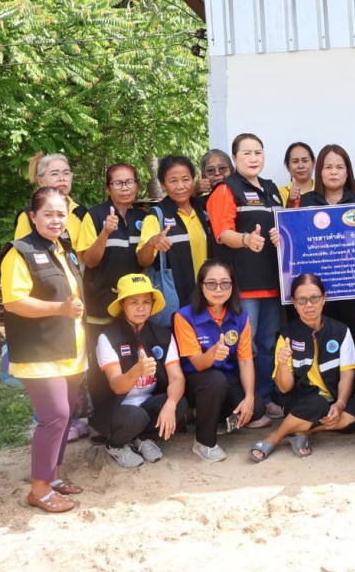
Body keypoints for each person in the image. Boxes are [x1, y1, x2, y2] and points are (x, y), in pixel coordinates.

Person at [1, 187, 88, 513]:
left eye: (61, 213)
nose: (56, 219)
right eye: (48, 213)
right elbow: (13, 301)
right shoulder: (18, 252)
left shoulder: (64, 248)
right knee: (55, 417)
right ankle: (39, 489)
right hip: (40, 351)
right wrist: (58, 310)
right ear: (32, 216)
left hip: (72, 349)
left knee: (64, 420)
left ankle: (52, 476)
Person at [250, 274, 355, 461]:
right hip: (302, 402)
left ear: (324, 298)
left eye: (315, 298)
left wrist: (340, 404)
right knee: (317, 404)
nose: (309, 305)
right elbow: (284, 388)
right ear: (294, 303)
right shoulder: (287, 334)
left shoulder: (340, 331)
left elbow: (347, 375)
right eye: (302, 300)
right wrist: (282, 364)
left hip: (332, 399)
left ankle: (303, 431)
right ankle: (275, 437)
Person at [208, 133, 285, 416]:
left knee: (267, 344)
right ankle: (244, 406)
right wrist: (245, 240)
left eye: (258, 152)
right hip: (244, 284)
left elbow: (283, 225)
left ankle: (264, 399)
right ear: (236, 159)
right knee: (244, 347)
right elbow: (222, 232)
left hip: (274, 283)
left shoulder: (272, 188)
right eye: (246, 153)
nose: (253, 158)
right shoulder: (226, 190)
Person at [92, 273, 188, 468]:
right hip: (115, 409)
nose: (141, 308)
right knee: (136, 417)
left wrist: (170, 404)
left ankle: (141, 439)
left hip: (146, 403)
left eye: (146, 301)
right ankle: (115, 444)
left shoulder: (162, 335)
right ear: (122, 305)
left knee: (180, 403)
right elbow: (117, 387)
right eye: (133, 302)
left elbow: (177, 377)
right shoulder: (107, 337)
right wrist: (138, 370)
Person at [174, 260, 264, 462]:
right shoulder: (184, 316)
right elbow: (197, 363)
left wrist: (249, 397)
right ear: (201, 285)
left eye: (225, 283)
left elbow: (246, 361)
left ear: (232, 286)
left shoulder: (241, 316)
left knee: (257, 406)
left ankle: (217, 421)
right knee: (214, 379)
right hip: (197, 381)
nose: (218, 289)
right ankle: (204, 443)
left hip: (228, 380)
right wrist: (212, 354)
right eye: (211, 283)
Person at [299, 144, 355, 368]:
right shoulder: (306, 202)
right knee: (324, 341)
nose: (334, 172)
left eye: (339, 167)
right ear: (320, 172)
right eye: (328, 167)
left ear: (348, 172)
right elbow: (299, 242)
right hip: (319, 287)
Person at [76, 163, 149, 345]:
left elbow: (147, 262)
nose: (124, 188)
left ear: (137, 186)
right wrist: (105, 232)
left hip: (134, 306)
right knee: (101, 363)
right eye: (117, 183)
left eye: (129, 182)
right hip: (101, 305)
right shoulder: (94, 215)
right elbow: (90, 261)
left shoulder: (144, 217)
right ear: (108, 188)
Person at [138, 155, 214, 309]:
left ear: (193, 180)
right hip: (177, 300)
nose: (180, 186)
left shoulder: (204, 209)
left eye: (186, 179)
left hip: (209, 296)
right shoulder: (157, 215)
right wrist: (153, 242)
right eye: (173, 181)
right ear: (163, 185)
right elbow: (142, 260)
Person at [14, 153, 87, 244]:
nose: (62, 178)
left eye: (66, 173)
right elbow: (21, 251)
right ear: (41, 181)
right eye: (54, 174)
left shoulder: (81, 212)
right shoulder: (29, 215)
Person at [279, 142, 316, 207]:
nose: (301, 166)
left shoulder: (322, 189)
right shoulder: (281, 193)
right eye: (295, 161)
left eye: (305, 161)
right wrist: (290, 201)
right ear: (287, 166)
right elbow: (282, 217)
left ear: (313, 163)